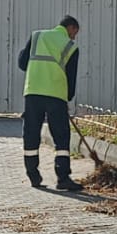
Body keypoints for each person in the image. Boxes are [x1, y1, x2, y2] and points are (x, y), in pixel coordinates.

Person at [18, 14, 83, 190]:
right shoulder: (70, 46)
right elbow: (71, 76)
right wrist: (68, 97)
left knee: (31, 133)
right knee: (61, 136)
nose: (74, 37)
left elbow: (22, 64)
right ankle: (63, 178)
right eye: (74, 33)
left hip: (32, 92)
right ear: (71, 28)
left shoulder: (36, 36)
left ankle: (33, 175)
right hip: (56, 95)